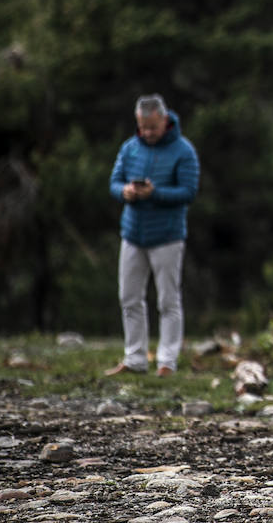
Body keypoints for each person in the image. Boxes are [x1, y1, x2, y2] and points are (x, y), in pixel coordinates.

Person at [106, 94, 200, 377]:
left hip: (168, 237)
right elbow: (114, 182)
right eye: (143, 127)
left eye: (152, 127)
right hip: (133, 234)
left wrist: (155, 193)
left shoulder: (184, 151)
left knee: (168, 301)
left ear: (164, 120)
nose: (147, 133)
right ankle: (135, 358)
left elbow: (189, 191)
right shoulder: (130, 148)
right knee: (129, 297)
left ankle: (167, 361)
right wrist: (125, 192)